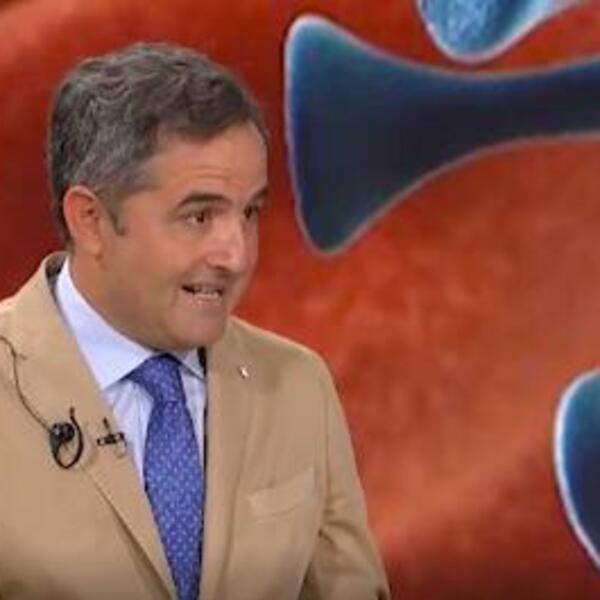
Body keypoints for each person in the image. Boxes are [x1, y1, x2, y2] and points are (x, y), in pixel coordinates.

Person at [0, 42, 389, 600]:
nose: (237, 254)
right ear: (90, 220)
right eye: (199, 215)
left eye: (249, 212)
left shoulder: (298, 385)